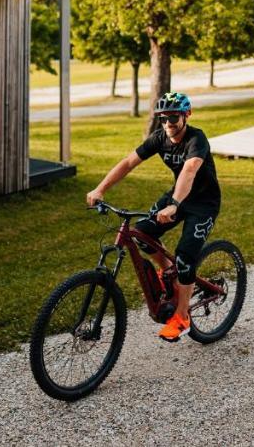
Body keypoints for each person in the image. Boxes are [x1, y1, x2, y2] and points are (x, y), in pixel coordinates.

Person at [86, 91, 221, 342]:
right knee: (142, 233)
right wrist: (100, 189)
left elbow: (190, 170)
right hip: (178, 196)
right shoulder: (160, 138)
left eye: (173, 116)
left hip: (203, 203)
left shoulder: (196, 139)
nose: (168, 122)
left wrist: (174, 205)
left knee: (185, 256)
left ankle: (182, 317)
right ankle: (169, 272)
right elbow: (128, 163)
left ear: (186, 115)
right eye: (162, 118)